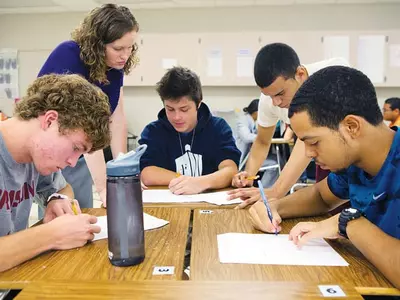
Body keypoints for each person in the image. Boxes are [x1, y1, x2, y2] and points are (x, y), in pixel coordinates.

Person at [249, 66, 400, 289]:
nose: (308, 154)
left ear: (351, 126)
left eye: (314, 142)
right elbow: (320, 196)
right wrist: (275, 206)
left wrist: (348, 223)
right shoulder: (355, 164)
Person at [0, 74, 111, 272]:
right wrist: (52, 235)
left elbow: (63, 188)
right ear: (50, 120)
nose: (72, 162)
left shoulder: (34, 156)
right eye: (76, 148)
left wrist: (57, 199)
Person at [37, 4, 139, 208]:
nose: (125, 55)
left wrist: (121, 170)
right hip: (53, 148)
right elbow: (81, 126)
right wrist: (103, 187)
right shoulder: (68, 55)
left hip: (80, 152)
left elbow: (116, 118)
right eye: (118, 48)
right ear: (97, 44)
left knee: (83, 210)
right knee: (65, 212)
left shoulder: (115, 67)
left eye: (130, 48)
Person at [229, 43, 348, 208]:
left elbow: (308, 140)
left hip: (350, 158)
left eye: (280, 94)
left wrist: (277, 191)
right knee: (325, 207)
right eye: (268, 95)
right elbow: (263, 142)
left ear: (300, 74)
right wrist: (248, 176)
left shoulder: (333, 76)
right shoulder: (270, 100)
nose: (276, 102)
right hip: (327, 165)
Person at [138, 66, 240, 195]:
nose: (177, 117)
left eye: (184, 109)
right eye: (170, 109)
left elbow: (230, 170)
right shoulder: (153, 131)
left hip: (209, 205)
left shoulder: (218, 128)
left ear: (198, 104)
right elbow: (147, 173)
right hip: (169, 205)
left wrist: (200, 183)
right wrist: (186, 181)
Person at [236, 99, 279, 188]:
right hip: (243, 159)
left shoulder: (251, 121)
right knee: (274, 164)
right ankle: (263, 190)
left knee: (278, 159)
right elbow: (247, 137)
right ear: (256, 112)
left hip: (249, 155)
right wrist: (264, 136)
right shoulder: (243, 120)